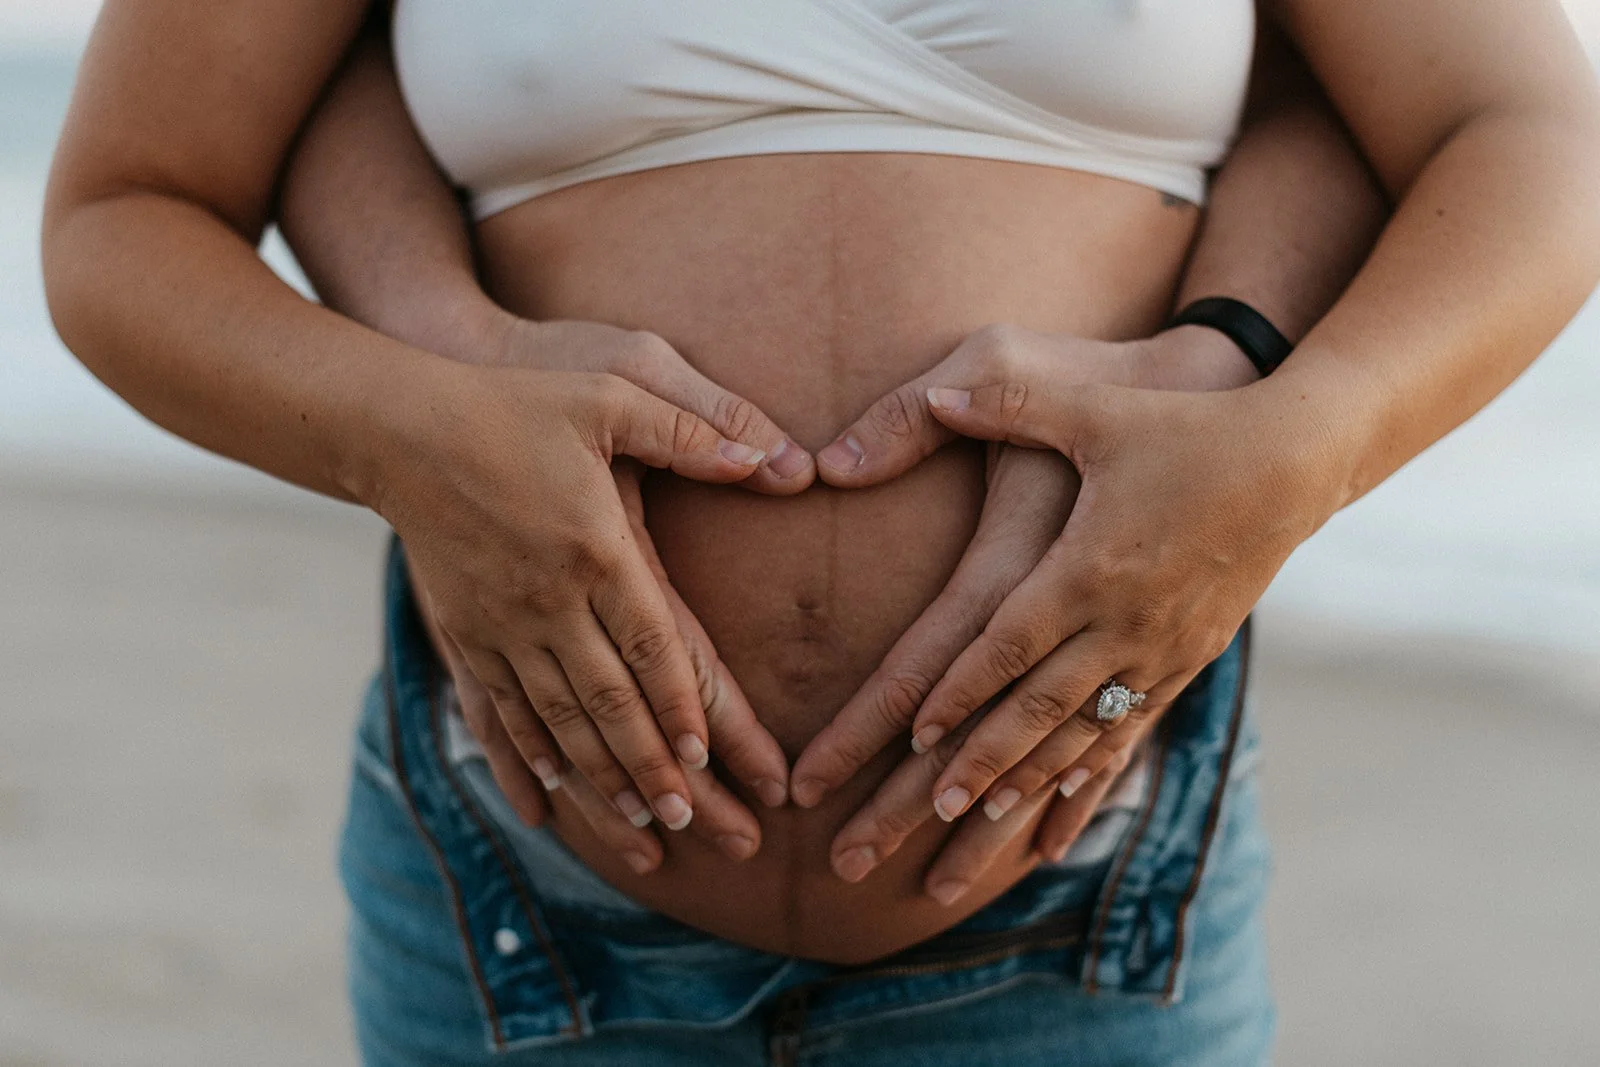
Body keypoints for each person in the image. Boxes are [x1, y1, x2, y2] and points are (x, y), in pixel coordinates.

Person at [40, 1, 1600, 1064]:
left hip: (1086, 882)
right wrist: (409, 432)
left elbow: (1523, 133)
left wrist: (1283, 450)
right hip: (533, 891)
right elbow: (132, 211)